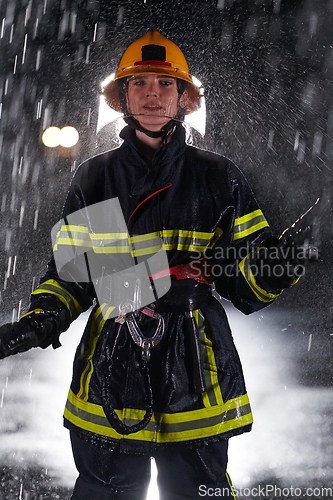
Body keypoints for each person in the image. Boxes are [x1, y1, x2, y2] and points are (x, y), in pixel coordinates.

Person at [0, 30, 308, 499]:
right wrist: (40, 319)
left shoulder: (218, 177)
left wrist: (279, 263)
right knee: (105, 491)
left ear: (185, 98)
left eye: (166, 84)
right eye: (139, 82)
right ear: (121, 96)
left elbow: (246, 286)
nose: (152, 93)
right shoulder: (98, 177)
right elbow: (73, 276)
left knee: (199, 490)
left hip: (197, 368)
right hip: (112, 364)